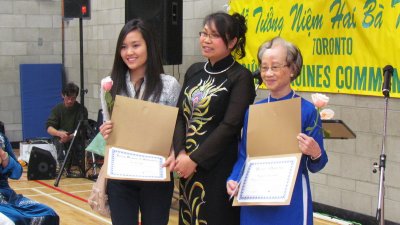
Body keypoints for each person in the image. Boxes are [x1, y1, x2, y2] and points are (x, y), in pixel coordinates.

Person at [226, 37, 328, 225]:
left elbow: (317, 165)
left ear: (292, 70)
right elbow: (245, 156)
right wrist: (233, 178)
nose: (268, 73)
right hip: (254, 198)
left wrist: (315, 153)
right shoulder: (254, 111)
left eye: (275, 67)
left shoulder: (307, 111)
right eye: (264, 68)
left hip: (291, 200)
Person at [172, 12, 256, 225]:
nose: (206, 40)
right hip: (187, 169)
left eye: (214, 35)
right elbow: (179, 115)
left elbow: (230, 125)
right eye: (204, 33)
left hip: (218, 167)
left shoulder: (240, 76)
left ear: (232, 42)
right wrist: (181, 152)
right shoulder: (194, 71)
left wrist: (195, 159)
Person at [99, 18, 181, 225]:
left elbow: (177, 129)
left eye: (136, 45)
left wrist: (174, 151)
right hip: (121, 175)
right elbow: (110, 133)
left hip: (156, 174)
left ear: (149, 46)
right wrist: (105, 130)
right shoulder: (110, 85)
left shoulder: (169, 85)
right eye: (124, 47)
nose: (129, 52)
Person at [0, 132, 59, 224]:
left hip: (7, 195)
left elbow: (17, 173)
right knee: (14, 220)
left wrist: (5, 157)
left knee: (49, 214)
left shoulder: (2, 139)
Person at [46, 82, 88, 176]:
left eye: (72, 98)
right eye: (67, 98)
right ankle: (62, 165)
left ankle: (75, 163)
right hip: (61, 137)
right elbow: (49, 127)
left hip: (75, 136)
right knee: (58, 139)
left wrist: (70, 137)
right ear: (62, 95)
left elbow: (82, 130)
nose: (69, 101)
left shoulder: (82, 110)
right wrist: (59, 133)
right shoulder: (57, 109)